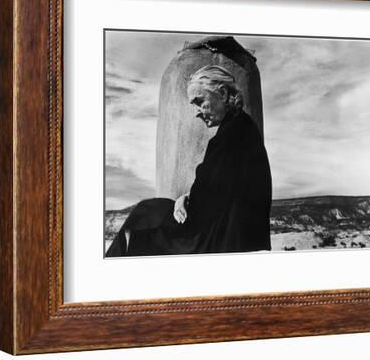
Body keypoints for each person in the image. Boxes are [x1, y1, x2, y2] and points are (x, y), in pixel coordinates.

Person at [105, 65, 272, 257]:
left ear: (223, 93)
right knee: (150, 211)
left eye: (200, 101)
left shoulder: (231, 136)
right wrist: (187, 197)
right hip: (233, 234)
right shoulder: (242, 127)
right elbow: (215, 189)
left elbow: (202, 206)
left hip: (222, 240)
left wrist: (184, 201)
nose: (197, 112)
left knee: (143, 215)